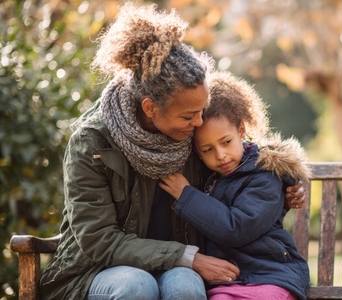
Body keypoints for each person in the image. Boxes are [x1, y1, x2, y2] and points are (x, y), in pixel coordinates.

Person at [39, 3, 304, 300]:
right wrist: (188, 257)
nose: (199, 122)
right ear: (150, 108)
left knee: (185, 287)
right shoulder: (93, 143)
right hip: (97, 270)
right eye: (189, 115)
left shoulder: (190, 132)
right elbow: (99, 240)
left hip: (175, 266)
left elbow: (240, 154)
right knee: (137, 286)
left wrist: (286, 180)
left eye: (202, 111)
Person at [159, 71, 311, 300]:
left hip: (271, 276)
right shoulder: (211, 178)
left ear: (241, 130)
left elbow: (237, 228)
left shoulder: (265, 174)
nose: (221, 155)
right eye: (207, 150)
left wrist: (186, 196)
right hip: (227, 282)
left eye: (226, 142)